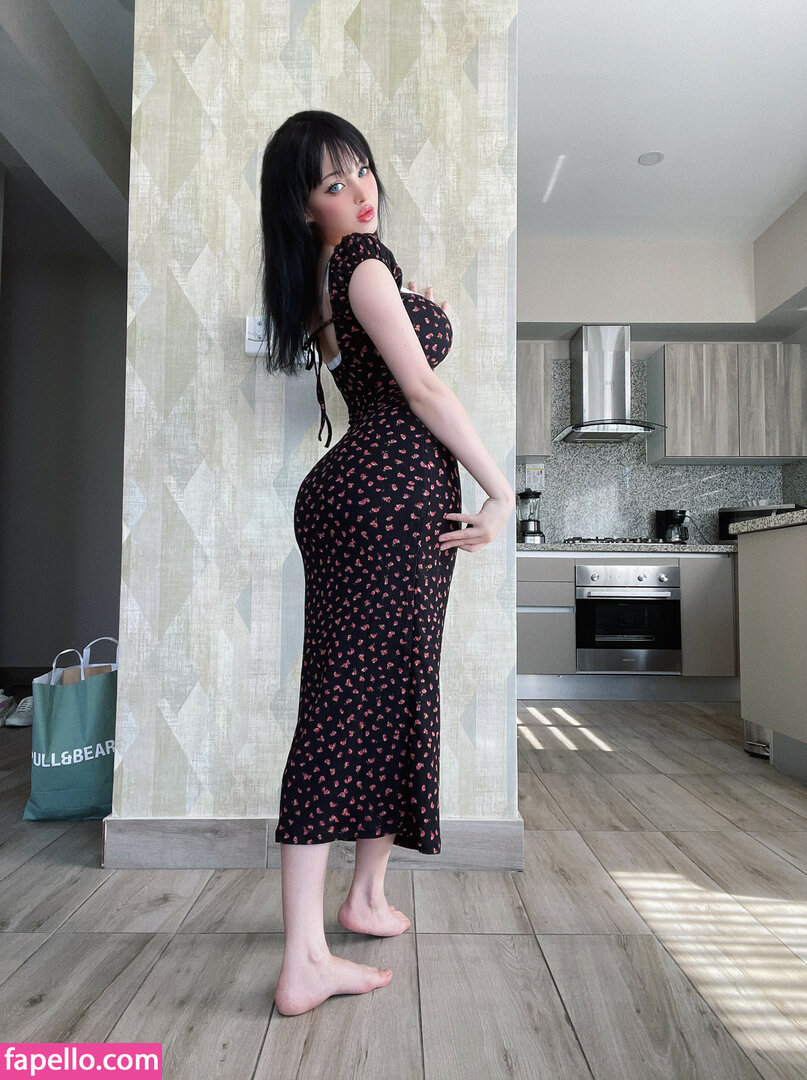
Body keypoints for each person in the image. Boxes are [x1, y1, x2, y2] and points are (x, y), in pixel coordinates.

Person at [259, 110, 514, 1016]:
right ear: (303, 207)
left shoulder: (331, 278)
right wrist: (500, 491)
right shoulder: (360, 263)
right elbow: (422, 389)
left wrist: (410, 300)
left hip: (368, 498)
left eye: (362, 169)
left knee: (388, 691)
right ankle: (302, 960)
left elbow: (375, 364)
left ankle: (364, 897)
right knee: (343, 709)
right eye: (333, 184)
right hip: (385, 502)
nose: (360, 191)